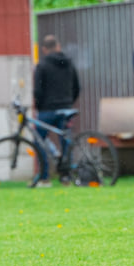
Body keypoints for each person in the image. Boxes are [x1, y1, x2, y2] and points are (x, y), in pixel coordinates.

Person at [31, 35, 81, 187]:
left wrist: (39, 106)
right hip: (65, 109)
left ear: (44, 49)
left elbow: (37, 90)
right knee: (66, 142)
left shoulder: (42, 65)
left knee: (39, 141)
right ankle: (66, 177)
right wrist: (68, 102)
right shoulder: (69, 63)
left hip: (47, 110)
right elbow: (77, 87)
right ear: (58, 47)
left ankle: (44, 177)